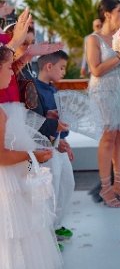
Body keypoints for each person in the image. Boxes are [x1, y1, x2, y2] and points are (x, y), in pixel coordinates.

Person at [0, 44, 71, 269]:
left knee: (33, 209)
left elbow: (25, 152)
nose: (15, 72)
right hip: (10, 177)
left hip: (23, 167)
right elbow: (4, 156)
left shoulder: (10, 110)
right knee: (16, 236)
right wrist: (35, 158)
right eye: (10, 67)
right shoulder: (2, 114)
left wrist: (36, 160)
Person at [87, 0, 120, 207]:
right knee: (108, 137)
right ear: (107, 14)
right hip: (104, 90)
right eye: (119, 11)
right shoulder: (94, 39)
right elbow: (95, 69)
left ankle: (119, 185)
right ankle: (105, 188)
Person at [34, 50, 75, 246]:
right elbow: (35, 122)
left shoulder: (53, 90)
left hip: (57, 145)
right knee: (50, 187)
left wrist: (62, 137)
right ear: (48, 66)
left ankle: (56, 223)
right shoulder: (34, 89)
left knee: (66, 184)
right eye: (61, 67)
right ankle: (47, 232)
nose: (63, 72)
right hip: (43, 147)